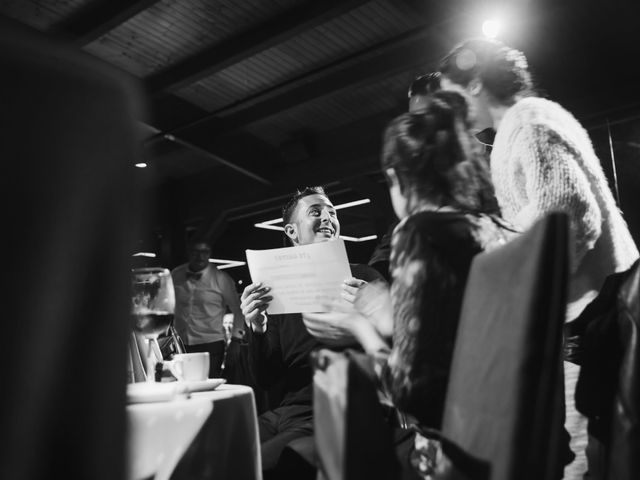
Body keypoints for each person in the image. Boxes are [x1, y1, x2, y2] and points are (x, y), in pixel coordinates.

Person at [437, 37, 639, 479]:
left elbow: (567, 210)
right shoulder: (525, 123)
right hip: (594, 319)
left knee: (586, 462)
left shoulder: (527, 120)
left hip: (595, 322)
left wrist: (496, 260)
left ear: (472, 84)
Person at [332, 91, 516, 477]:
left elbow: (413, 393)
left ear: (396, 178)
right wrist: (390, 315)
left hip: (451, 454)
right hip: (511, 438)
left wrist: (360, 328)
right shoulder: (497, 231)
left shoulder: (419, 232)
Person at [240, 186, 384, 479]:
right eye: (316, 212)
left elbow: (397, 350)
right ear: (292, 232)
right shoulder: (275, 293)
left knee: (254, 466)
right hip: (283, 412)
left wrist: (373, 310)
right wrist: (257, 327)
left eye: (332, 212)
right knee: (219, 449)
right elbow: (266, 378)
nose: (328, 217)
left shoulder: (364, 278)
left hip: (334, 405)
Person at [171, 239, 245, 378]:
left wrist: (236, 340)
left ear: (209, 253)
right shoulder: (176, 274)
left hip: (211, 344)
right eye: (196, 252)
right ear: (189, 253)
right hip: (180, 343)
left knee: (206, 386)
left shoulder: (221, 278)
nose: (200, 256)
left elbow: (238, 309)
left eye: (204, 252)